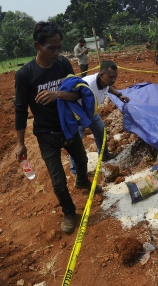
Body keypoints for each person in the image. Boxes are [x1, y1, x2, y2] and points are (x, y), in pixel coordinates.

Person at [14, 22, 100, 235]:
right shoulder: (25, 75)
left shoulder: (62, 65)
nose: (57, 52)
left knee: (81, 161)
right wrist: (20, 143)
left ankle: (81, 182)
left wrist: (58, 94)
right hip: (45, 135)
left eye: (59, 47)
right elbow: (20, 109)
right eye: (51, 48)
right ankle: (70, 212)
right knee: (58, 181)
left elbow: (78, 93)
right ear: (37, 46)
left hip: (68, 127)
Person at [69, 60, 130, 173]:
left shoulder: (105, 82)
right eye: (111, 77)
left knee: (101, 131)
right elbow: (70, 95)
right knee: (76, 141)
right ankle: (75, 169)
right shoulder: (87, 83)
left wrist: (119, 95)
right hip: (78, 114)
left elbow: (108, 87)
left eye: (115, 77)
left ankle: (104, 155)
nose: (113, 80)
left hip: (91, 111)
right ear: (101, 75)